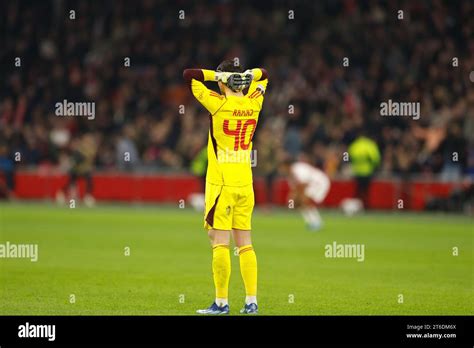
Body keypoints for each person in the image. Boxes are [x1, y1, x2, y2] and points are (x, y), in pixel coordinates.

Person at [183, 60, 268, 314]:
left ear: (221, 81)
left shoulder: (218, 103)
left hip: (221, 184)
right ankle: (251, 301)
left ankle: (221, 303)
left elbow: (189, 75)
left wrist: (221, 75)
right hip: (245, 183)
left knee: (218, 241)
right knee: (245, 244)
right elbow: (264, 75)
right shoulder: (254, 101)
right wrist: (246, 75)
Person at [281, 156, 331, 230]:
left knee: (305, 200)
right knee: (299, 203)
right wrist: (292, 199)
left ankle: (317, 222)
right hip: (311, 185)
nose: (281, 169)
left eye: (282, 167)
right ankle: (310, 222)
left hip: (319, 182)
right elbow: (295, 189)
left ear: (287, 165)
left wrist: (294, 197)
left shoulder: (299, 168)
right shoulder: (290, 176)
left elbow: (304, 184)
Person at [347, 131, 381, 208]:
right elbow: (376, 159)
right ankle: (366, 207)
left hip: (356, 172)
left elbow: (347, 157)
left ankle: (356, 207)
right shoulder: (370, 145)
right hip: (368, 172)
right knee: (366, 192)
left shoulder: (354, 145)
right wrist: (375, 168)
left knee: (357, 191)